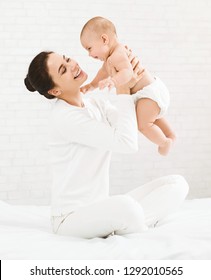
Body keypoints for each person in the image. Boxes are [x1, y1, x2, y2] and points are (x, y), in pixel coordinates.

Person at [24, 50, 189, 239]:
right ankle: (131, 221)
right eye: (63, 69)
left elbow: (133, 119)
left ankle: (127, 222)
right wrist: (122, 88)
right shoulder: (64, 118)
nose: (72, 65)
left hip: (101, 207)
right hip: (70, 218)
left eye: (67, 59)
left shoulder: (94, 104)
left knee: (177, 184)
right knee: (127, 208)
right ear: (55, 91)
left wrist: (137, 78)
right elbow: (127, 144)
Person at [80, 16, 176, 156]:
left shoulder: (117, 54)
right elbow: (103, 72)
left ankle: (164, 142)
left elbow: (127, 72)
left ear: (104, 39)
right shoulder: (111, 57)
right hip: (151, 92)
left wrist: (113, 81)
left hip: (149, 93)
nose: (89, 54)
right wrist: (91, 85)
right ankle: (170, 134)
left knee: (143, 125)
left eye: (89, 48)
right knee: (151, 116)